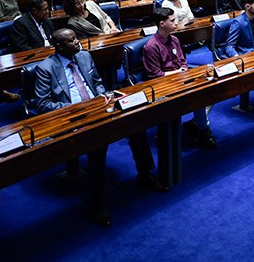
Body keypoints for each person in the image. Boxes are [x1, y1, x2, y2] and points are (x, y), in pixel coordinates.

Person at [34, 29, 166, 226]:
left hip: (100, 107)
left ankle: (145, 174)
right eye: (71, 41)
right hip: (73, 116)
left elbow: (96, 82)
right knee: (97, 145)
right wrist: (77, 108)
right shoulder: (46, 68)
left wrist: (103, 96)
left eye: (76, 38)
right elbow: (42, 104)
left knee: (136, 124)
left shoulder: (84, 56)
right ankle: (99, 202)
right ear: (59, 47)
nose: (77, 42)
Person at [143, 7, 216, 148]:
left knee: (210, 87)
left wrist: (184, 72)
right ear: (162, 24)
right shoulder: (151, 47)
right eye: (172, 20)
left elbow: (183, 61)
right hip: (163, 84)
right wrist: (178, 73)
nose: (176, 23)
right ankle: (203, 131)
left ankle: (196, 123)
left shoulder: (175, 39)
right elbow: (155, 75)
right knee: (199, 97)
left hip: (181, 77)